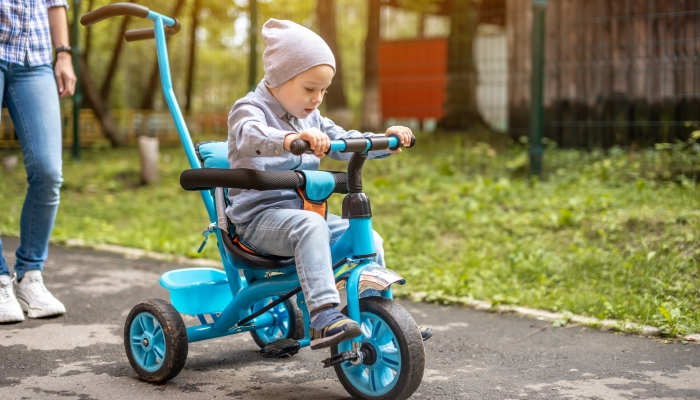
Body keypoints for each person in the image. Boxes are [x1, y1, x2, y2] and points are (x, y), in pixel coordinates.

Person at [226, 19, 432, 350]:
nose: (318, 98)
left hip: (304, 218)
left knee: (367, 237)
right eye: (310, 88)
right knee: (311, 225)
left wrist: (385, 141)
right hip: (258, 222)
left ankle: (377, 314)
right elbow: (250, 134)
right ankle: (323, 315)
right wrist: (290, 138)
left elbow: (344, 140)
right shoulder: (249, 109)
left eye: (324, 90)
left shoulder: (312, 117)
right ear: (279, 77)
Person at [0, 0, 76, 323]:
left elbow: (55, 2)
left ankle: (29, 275)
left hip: (35, 57)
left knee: (48, 171)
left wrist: (64, 54)